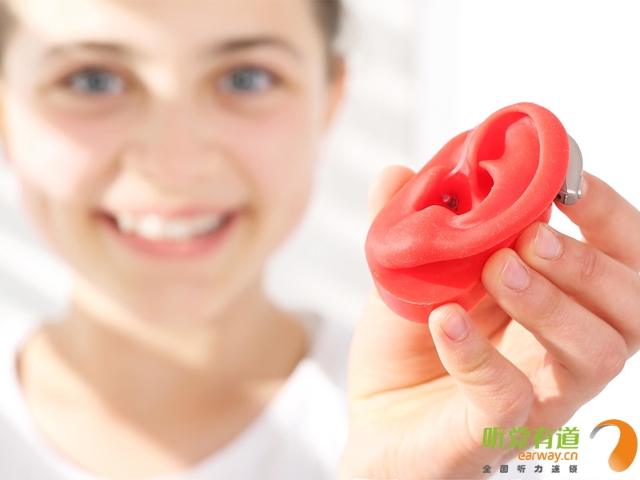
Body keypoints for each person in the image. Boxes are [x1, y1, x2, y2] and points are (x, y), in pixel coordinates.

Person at [1, 1, 640, 480]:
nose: (177, 163)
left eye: (246, 78)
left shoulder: (486, 423)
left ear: (331, 100)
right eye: (92, 80)